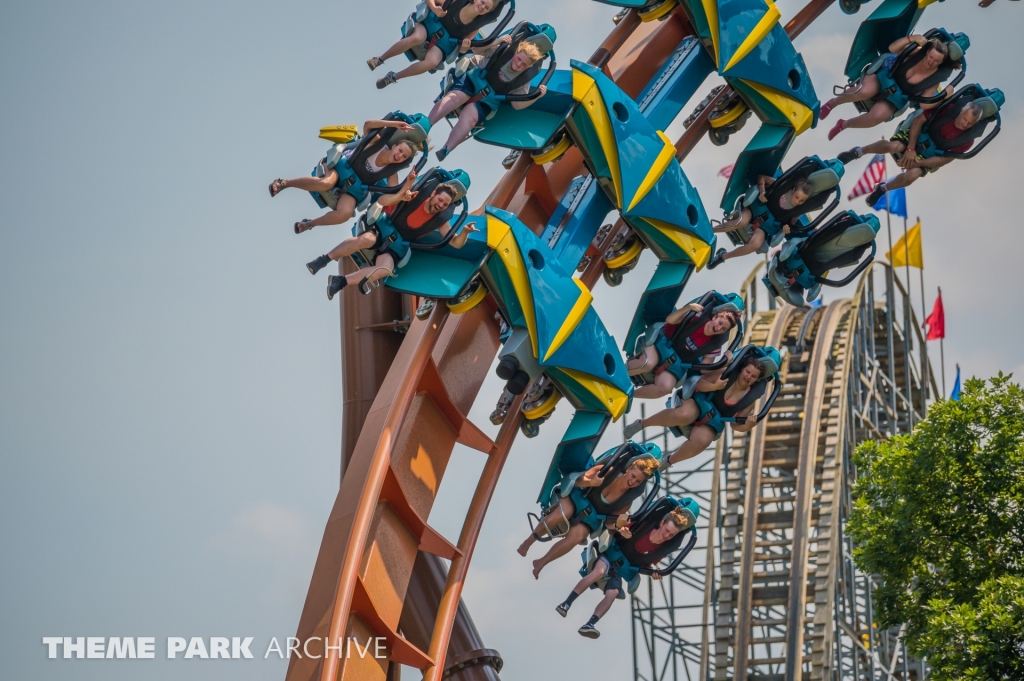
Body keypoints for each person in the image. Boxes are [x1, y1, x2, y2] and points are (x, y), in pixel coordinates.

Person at [309, 170, 479, 300]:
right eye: (440, 200)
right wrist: (401, 194)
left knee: (385, 269)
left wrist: (464, 232)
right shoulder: (415, 193)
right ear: (433, 194)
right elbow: (383, 201)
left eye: (445, 204)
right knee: (366, 240)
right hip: (383, 227)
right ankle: (324, 259)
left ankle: (340, 281)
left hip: (397, 245)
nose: (440, 205)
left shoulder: (441, 220)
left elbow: (455, 243)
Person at [556, 499, 698, 639]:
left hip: (620, 568)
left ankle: (590, 624)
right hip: (610, 553)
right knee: (599, 572)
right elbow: (614, 525)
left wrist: (654, 571)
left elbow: (647, 563)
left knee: (613, 593)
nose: (666, 536)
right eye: (667, 530)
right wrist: (622, 529)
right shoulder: (644, 524)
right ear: (662, 523)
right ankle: (566, 603)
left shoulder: (664, 548)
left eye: (671, 535)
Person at [517, 443, 660, 580]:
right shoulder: (609, 471)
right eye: (633, 476)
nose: (633, 482)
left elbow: (609, 523)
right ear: (628, 469)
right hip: (575, 497)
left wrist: (619, 526)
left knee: (577, 537)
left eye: (638, 481)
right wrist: (590, 482)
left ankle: (541, 562)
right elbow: (579, 479)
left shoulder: (626, 502)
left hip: (589, 516)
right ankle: (528, 542)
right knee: (564, 513)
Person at [268, 118, 425, 234]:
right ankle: (284, 183)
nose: (399, 156)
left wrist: (407, 186)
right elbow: (367, 125)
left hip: (355, 186)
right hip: (340, 167)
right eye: (400, 150)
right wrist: (393, 124)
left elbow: (394, 196)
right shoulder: (378, 143)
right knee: (326, 183)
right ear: (395, 146)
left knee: (345, 214)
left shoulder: (392, 173)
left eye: (404, 157)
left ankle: (310, 224)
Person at [623, 351, 775, 468]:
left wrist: (747, 425)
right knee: (684, 414)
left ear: (756, 380)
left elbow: (736, 424)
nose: (748, 377)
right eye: (747, 372)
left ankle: (668, 461)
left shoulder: (750, 397)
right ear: (742, 370)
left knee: (703, 440)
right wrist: (714, 386)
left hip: (714, 420)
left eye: (753, 376)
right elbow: (700, 384)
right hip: (699, 401)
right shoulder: (728, 372)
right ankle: (641, 423)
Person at [837, 90, 983, 205]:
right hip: (916, 135)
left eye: (970, 123)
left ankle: (882, 189)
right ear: (961, 112)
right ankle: (857, 152)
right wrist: (910, 149)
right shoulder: (947, 109)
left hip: (929, 156)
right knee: (892, 146)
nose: (965, 124)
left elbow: (944, 160)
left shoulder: (967, 140)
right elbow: (919, 120)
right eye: (965, 119)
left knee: (912, 176)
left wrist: (918, 163)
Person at [427, 34, 549, 160]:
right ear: (516, 52)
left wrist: (537, 96)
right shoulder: (504, 50)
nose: (519, 64)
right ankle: (427, 124)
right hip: (474, 77)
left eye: (523, 64)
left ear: (528, 67)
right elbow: (476, 49)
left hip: (488, 98)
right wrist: (496, 42)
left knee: (471, 119)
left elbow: (517, 104)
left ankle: (446, 149)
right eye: (518, 59)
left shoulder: (524, 80)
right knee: (458, 97)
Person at [821, 34, 957, 140]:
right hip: (885, 76)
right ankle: (832, 103)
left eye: (936, 61)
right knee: (864, 91)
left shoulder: (935, 79)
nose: (931, 61)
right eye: (930, 57)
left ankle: (843, 125)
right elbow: (893, 48)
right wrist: (911, 39)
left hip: (898, 95)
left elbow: (925, 105)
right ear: (927, 53)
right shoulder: (917, 52)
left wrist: (944, 95)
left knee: (876, 117)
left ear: (941, 62)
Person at [627, 294, 742, 400]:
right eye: (720, 323)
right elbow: (670, 320)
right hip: (662, 344)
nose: (718, 329)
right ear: (715, 316)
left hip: (677, 362)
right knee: (648, 363)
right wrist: (687, 308)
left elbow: (703, 368)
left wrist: (724, 363)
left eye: (723, 329)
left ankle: (628, 395)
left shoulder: (715, 345)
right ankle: (619, 375)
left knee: (666, 387)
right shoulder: (698, 316)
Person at [369, 0, 503, 89]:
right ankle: (379, 59)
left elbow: (463, 48)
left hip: (443, 42)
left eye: (486, 8)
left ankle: (393, 77)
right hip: (428, 25)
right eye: (483, 2)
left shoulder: (475, 25)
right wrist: (434, 8)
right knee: (417, 37)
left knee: (433, 62)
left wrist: (465, 46)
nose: (482, 7)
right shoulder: (457, 2)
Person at [707, 176, 813, 269]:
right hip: (753, 210)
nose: (797, 202)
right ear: (793, 190)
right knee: (742, 222)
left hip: (764, 227)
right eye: (797, 197)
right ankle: (708, 230)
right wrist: (762, 191)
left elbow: (791, 224)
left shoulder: (797, 211)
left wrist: (786, 228)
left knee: (756, 245)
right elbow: (761, 177)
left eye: (801, 201)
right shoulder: (782, 187)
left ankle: (722, 256)